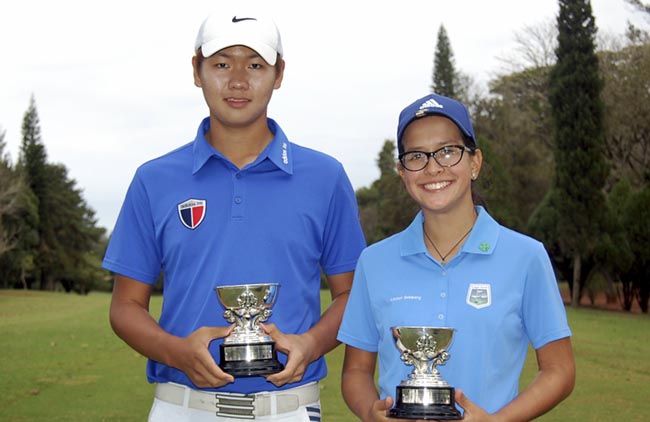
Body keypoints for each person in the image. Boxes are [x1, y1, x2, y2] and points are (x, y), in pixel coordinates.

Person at [103, 9, 366, 422]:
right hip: (181, 406)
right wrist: (177, 352)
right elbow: (125, 306)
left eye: (256, 65)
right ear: (196, 69)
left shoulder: (325, 177)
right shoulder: (154, 179)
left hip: (289, 408)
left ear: (279, 74)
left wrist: (310, 344)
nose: (239, 80)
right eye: (222, 64)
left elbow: (351, 295)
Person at [337, 93, 575, 421]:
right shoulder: (374, 261)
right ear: (402, 172)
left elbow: (559, 371)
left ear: (474, 162)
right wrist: (369, 411)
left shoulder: (526, 256)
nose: (433, 168)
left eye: (448, 151)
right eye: (417, 156)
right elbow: (355, 372)